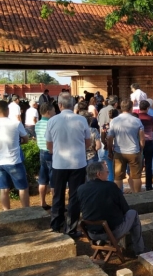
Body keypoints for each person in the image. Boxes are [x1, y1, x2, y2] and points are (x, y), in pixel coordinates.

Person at [46, 92, 91, 236]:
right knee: (74, 197)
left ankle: (56, 225)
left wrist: (57, 152)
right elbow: (88, 142)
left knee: (57, 195)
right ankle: (71, 228)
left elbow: (49, 145)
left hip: (59, 163)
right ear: (73, 106)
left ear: (59, 105)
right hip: (78, 162)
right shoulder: (81, 120)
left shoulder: (52, 121)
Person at [78, 161, 146, 256]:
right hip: (112, 231)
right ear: (99, 174)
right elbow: (125, 209)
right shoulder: (111, 186)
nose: (108, 174)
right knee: (133, 213)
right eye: (107, 172)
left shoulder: (81, 189)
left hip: (91, 233)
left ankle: (102, 244)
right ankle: (140, 251)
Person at [0, 100, 30, 210]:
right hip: (14, 160)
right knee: (22, 188)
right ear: (8, 110)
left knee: (4, 189)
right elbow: (26, 139)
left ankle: (6, 213)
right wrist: (18, 141)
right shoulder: (16, 123)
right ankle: (26, 212)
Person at [107, 99, 144, 193]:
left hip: (119, 151)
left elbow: (110, 137)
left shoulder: (114, 121)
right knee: (136, 176)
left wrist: (110, 151)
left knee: (118, 177)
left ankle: (119, 196)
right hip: (134, 151)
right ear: (131, 108)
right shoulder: (137, 121)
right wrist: (141, 149)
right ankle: (137, 196)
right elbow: (142, 139)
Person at [138, 100, 153, 190]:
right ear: (147, 108)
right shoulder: (150, 118)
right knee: (148, 165)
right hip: (148, 142)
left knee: (138, 165)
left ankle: (137, 185)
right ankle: (148, 186)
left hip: (138, 143)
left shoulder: (137, 117)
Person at [100, 108, 118, 182]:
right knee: (118, 171)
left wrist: (106, 144)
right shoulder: (118, 125)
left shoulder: (105, 125)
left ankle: (111, 186)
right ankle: (119, 188)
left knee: (110, 170)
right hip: (118, 149)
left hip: (107, 149)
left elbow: (102, 137)